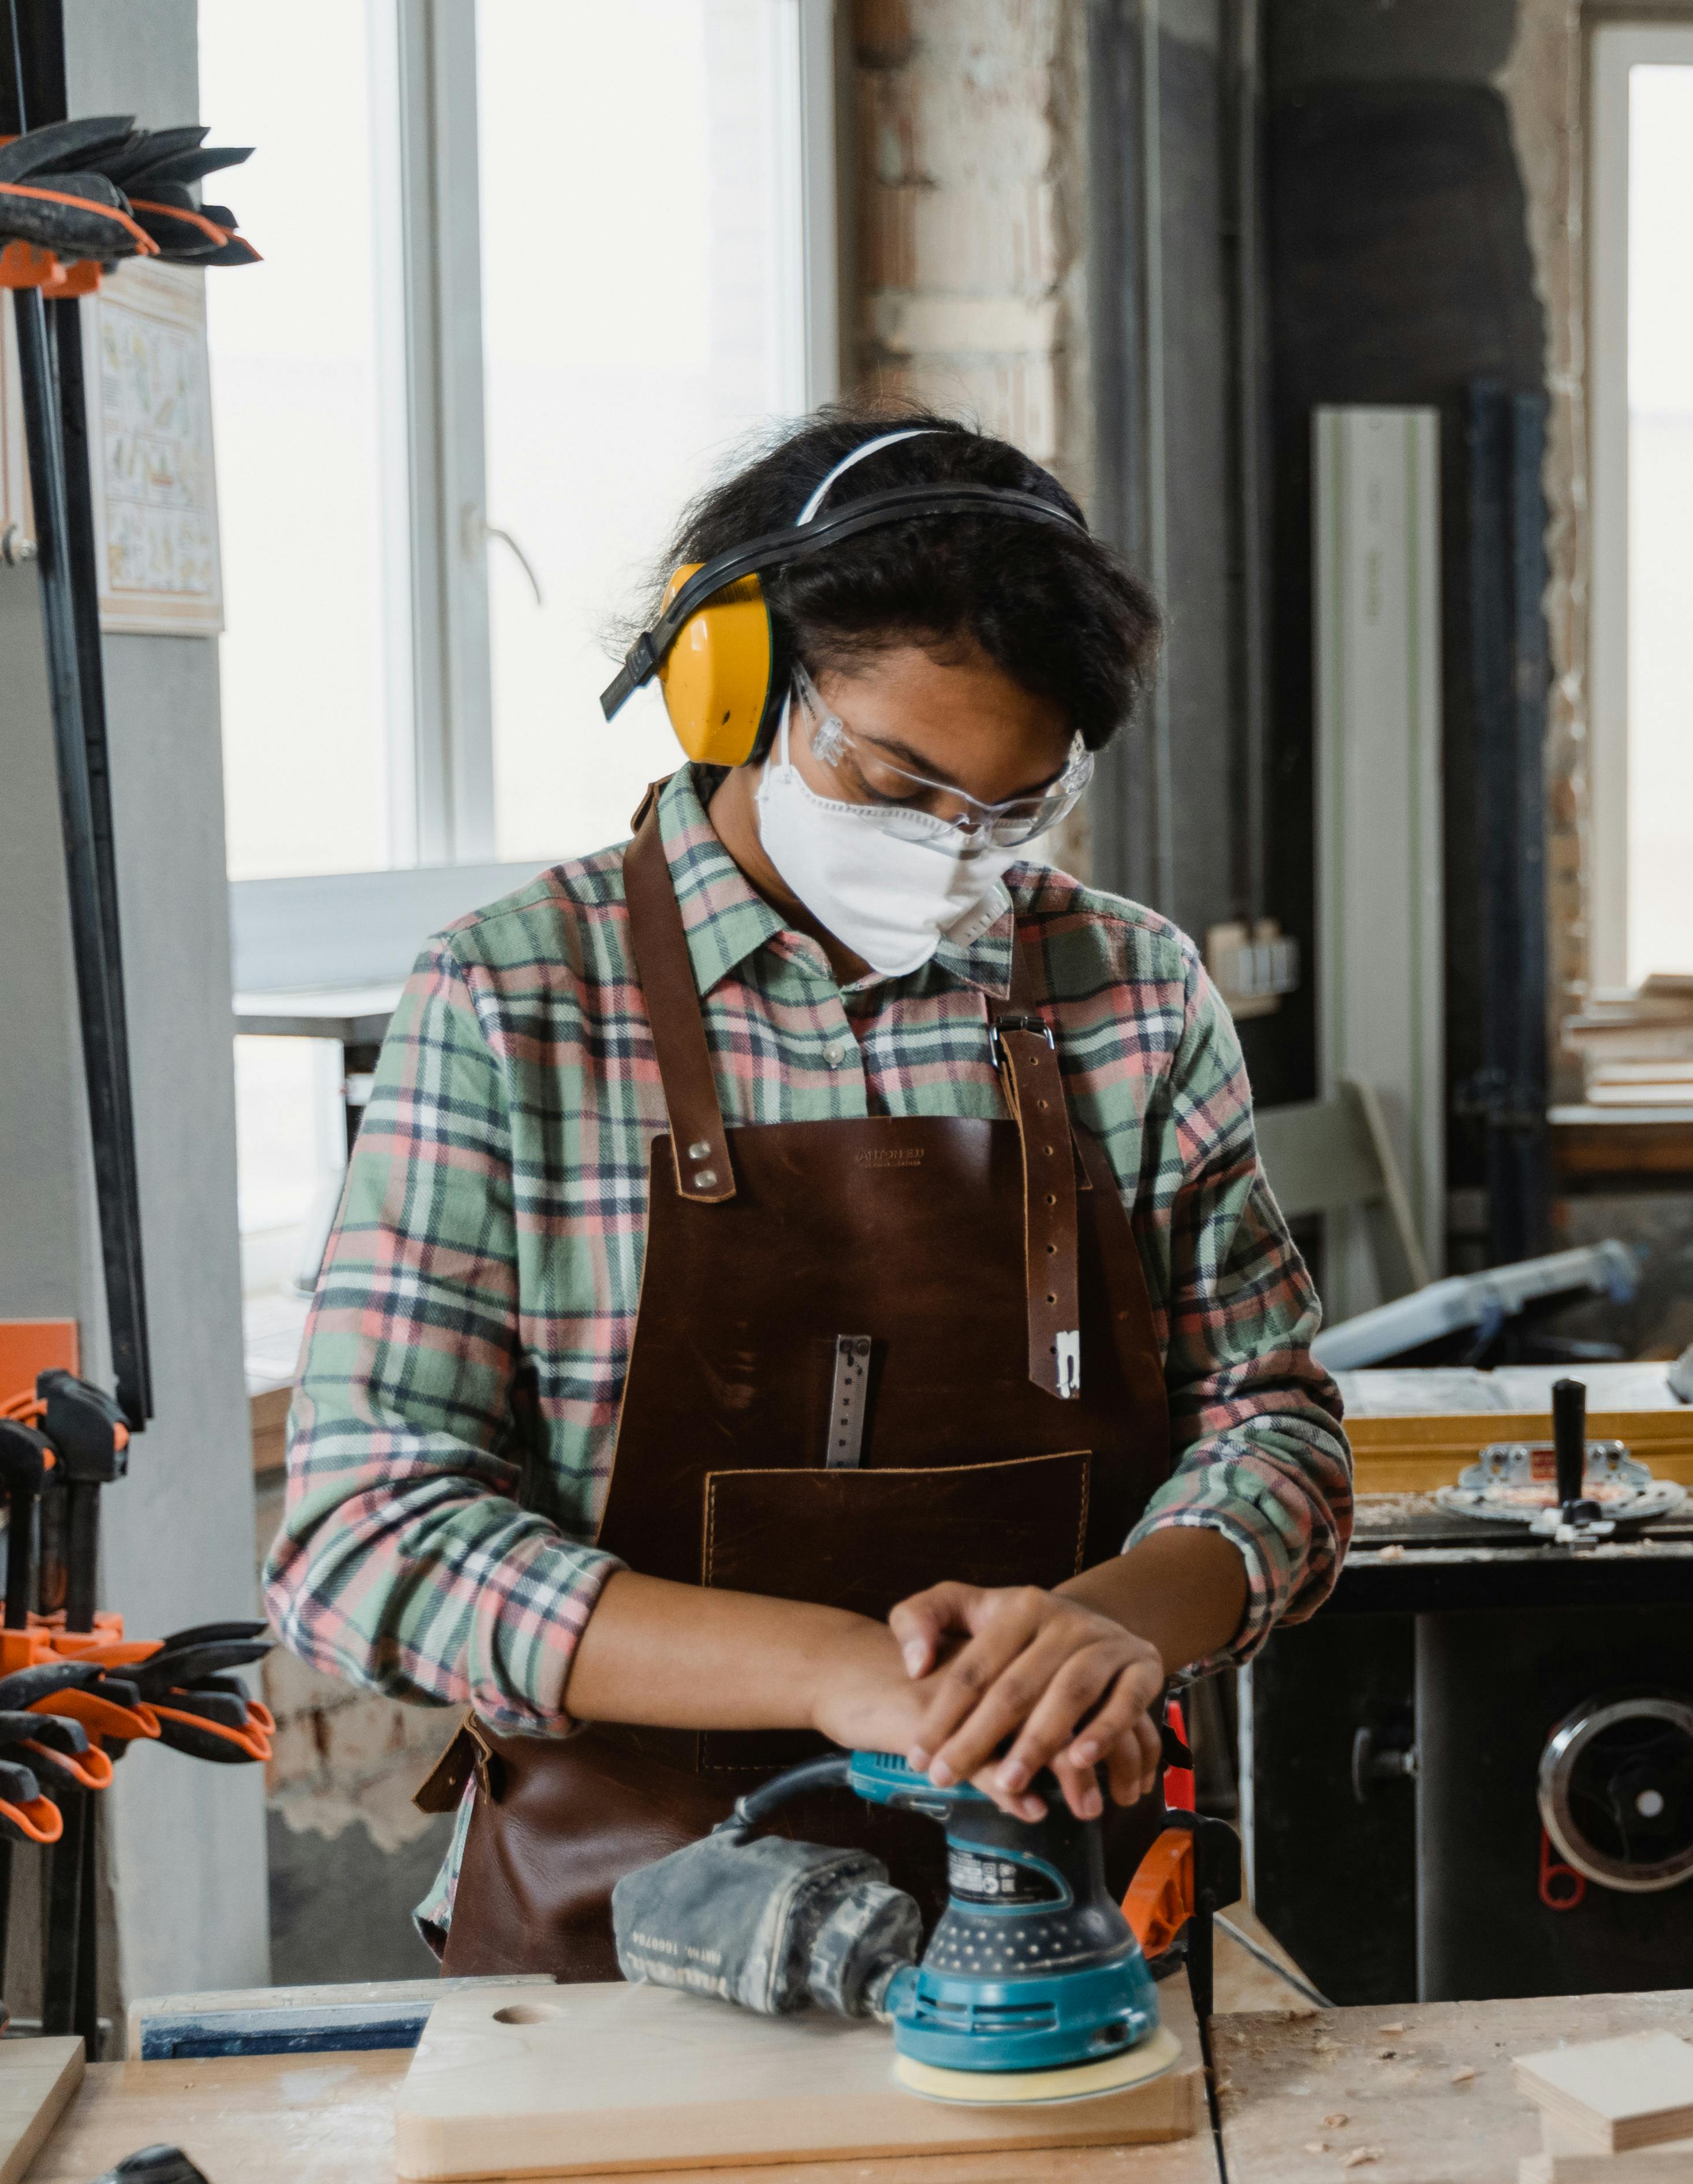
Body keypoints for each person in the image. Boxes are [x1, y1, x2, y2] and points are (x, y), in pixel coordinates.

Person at [266, 409, 1352, 1975]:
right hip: (626, 1933)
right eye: (897, 781)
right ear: (735, 678)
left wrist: (1128, 1615)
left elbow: (1275, 1427)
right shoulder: (516, 1003)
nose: (948, 852)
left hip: (1071, 1914)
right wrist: (840, 1674)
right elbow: (362, 1535)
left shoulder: (1126, 990)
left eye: (1011, 810)